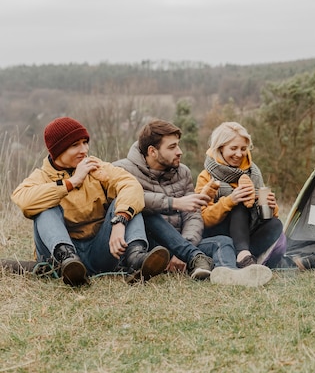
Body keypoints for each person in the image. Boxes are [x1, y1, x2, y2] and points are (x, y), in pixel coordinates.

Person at [11, 117, 169, 286]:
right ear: (57, 150)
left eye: (85, 142)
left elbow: (131, 185)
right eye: (75, 145)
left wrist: (120, 220)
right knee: (43, 206)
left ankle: (136, 258)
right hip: (59, 258)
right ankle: (68, 259)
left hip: (99, 251)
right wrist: (72, 182)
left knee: (128, 204)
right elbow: (24, 200)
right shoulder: (40, 176)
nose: (84, 149)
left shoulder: (96, 167)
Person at [113, 119, 272, 286]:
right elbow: (124, 200)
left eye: (178, 145)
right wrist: (174, 203)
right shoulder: (122, 170)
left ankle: (230, 274)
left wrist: (183, 247)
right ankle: (187, 259)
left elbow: (193, 215)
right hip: (149, 245)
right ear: (152, 151)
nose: (180, 152)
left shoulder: (183, 172)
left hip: (183, 243)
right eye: (172, 147)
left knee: (224, 241)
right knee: (145, 210)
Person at [196, 121, 284, 268]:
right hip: (220, 235)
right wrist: (229, 201)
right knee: (239, 205)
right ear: (220, 148)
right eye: (233, 148)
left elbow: (264, 216)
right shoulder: (206, 176)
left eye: (243, 149)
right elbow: (202, 218)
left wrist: (272, 207)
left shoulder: (253, 173)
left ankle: (246, 258)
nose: (239, 154)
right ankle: (243, 256)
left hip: (246, 234)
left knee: (275, 224)